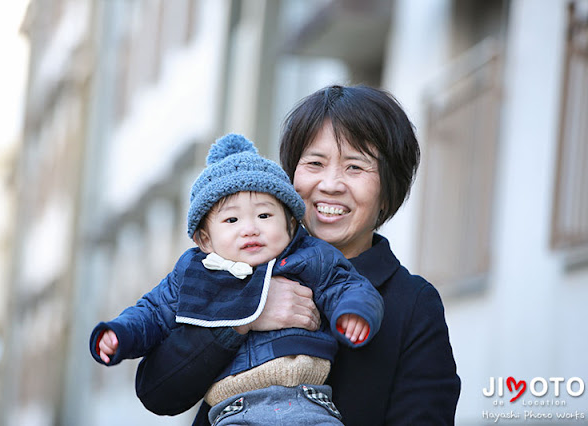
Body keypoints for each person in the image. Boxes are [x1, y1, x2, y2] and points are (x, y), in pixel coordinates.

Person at [134, 84, 461, 425]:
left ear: (387, 189)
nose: (331, 184)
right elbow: (157, 392)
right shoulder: (230, 267)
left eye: (355, 167)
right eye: (315, 163)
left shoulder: (412, 303)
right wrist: (247, 314)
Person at [89, 133, 384, 425]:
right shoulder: (194, 272)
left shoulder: (309, 256)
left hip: (307, 402)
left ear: (291, 225)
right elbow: (152, 312)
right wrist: (120, 335)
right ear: (205, 238)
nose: (250, 229)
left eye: (264, 216)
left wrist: (353, 311)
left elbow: (345, 284)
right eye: (232, 220)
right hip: (235, 411)